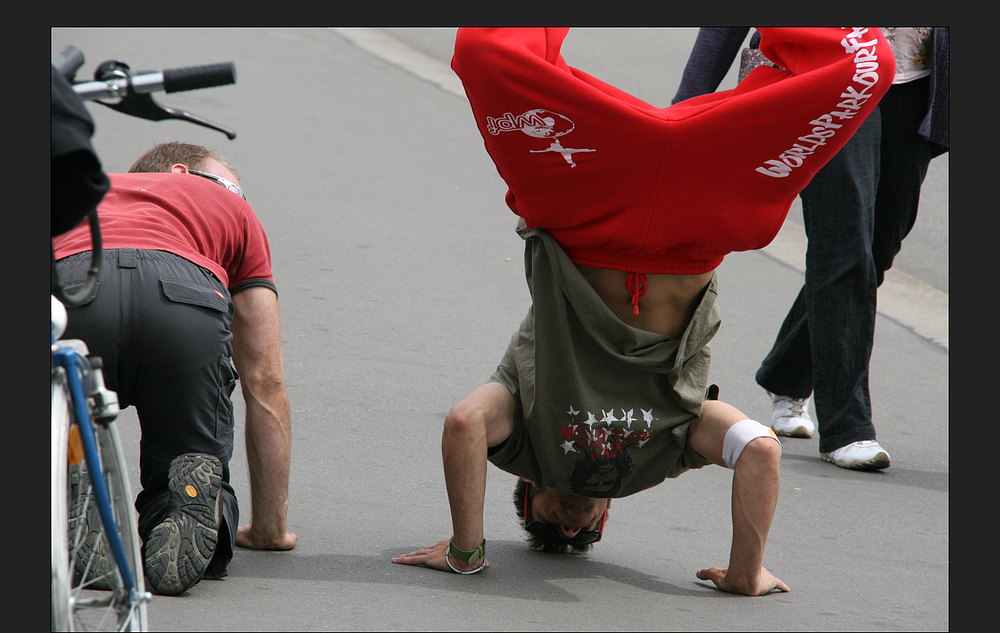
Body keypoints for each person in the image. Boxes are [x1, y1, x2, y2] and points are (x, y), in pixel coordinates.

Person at [392, 27, 893, 595]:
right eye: (584, 535)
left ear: (530, 491)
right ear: (608, 512)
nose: (572, 525)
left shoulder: (522, 438)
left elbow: (464, 423)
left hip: (587, 201)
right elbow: (760, 450)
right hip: (704, 210)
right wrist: (745, 573)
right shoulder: (658, 457)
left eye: (550, 523)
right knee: (866, 65)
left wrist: (465, 550)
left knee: (486, 50)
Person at [672, 27, 949, 470]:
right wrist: (685, 107)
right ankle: (848, 427)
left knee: (877, 249)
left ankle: (788, 372)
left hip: (914, 78)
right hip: (830, 75)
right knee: (844, 243)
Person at [52, 142, 298, 596]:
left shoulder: (71, 193)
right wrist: (270, 528)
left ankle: (73, 493)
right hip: (185, 304)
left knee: (55, 423)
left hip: (75, 288)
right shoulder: (229, 208)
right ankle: (183, 511)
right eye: (232, 185)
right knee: (186, 460)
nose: (238, 196)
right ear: (183, 172)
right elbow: (266, 379)